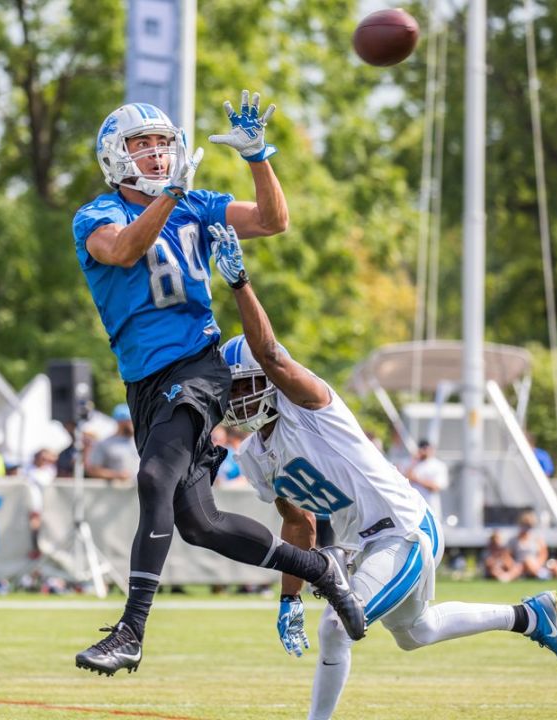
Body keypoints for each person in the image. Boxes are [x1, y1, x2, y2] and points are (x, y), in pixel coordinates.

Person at [209, 224, 557, 718]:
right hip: (371, 543)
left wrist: (239, 284)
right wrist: (287, 600)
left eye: (240, 386)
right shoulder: (253, 456)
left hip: (403, 529)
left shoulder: (311, 406)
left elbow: (271, 354)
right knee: (416, 632)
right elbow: (299, 524)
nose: (234, 399)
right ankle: (528, 616)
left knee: (336, 628)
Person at [71, 93, 364, 676]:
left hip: (199, 367)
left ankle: (130, 631)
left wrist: (259, 157)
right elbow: (126, 252)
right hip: (145, 384)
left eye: (162, 143)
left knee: (154, 477)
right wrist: (172, 195)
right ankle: (320, 570)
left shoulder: (196, 204)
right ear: (115, 157)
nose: (156, 154)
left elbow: (274, 220)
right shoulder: (96, 215)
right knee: (199, 524)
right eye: (141, 145)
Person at [509, 510, 557, 581]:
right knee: (528, 560)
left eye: (529, 525)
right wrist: (514, 565)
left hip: (537, 564)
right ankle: (542, 574)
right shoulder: (514, 540)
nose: (527, 528)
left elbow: (543, 553)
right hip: (522, 565)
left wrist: (538, 564)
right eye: (525, 525)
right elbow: (507, 555)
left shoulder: (537, 538)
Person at [87, 403, 140, 484]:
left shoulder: (140, 441)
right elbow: (93, 470)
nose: (133, 423)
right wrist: (117, 475)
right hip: (116, 494)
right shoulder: (104, 444)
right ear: (120, 421)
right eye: (130, 420)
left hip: (139, 494)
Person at [403, 440, 449, 521]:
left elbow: (436, 487)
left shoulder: (438, 465)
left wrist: (417, 480)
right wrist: (414, 461)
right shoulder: (412, 462)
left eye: (425, 448)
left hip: (430, 508)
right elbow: (405, 481)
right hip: (413, 508)